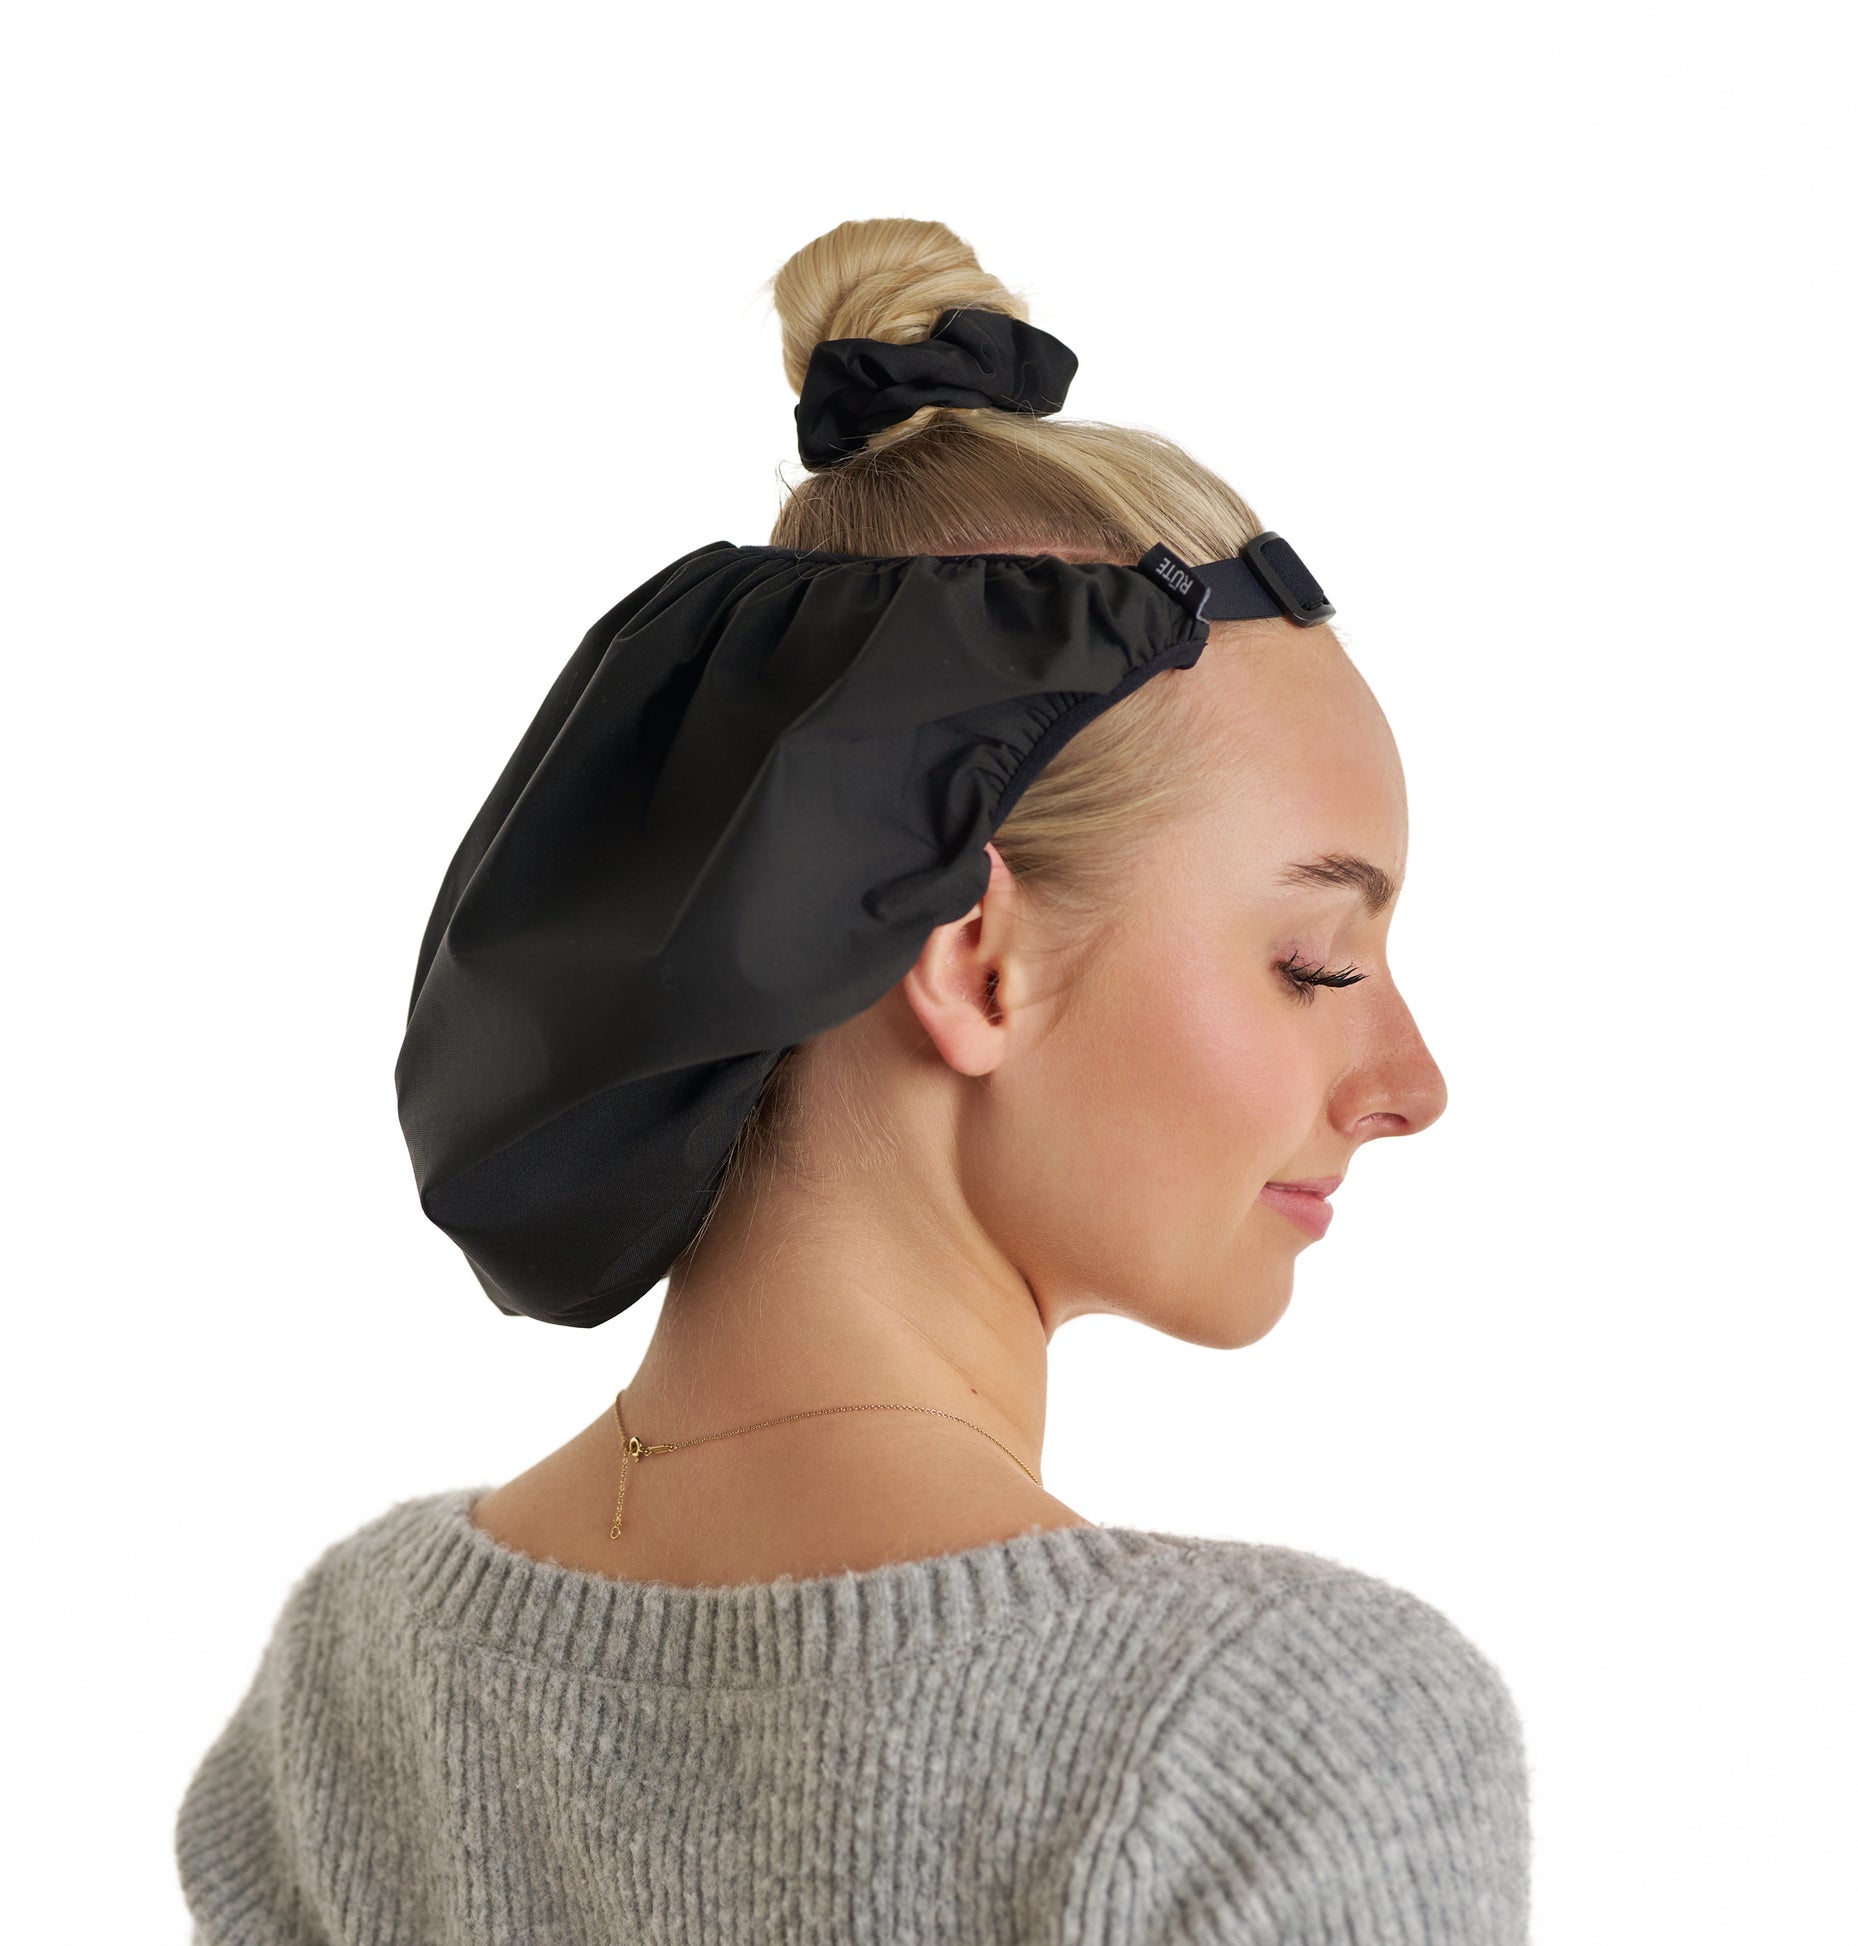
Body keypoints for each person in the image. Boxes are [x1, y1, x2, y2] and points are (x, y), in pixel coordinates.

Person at [175, 216, 1531, 1944]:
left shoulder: (354, 1685)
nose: (1409, 1082)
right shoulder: (1277, 1734)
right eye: (1317, 963)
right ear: (974, 959)